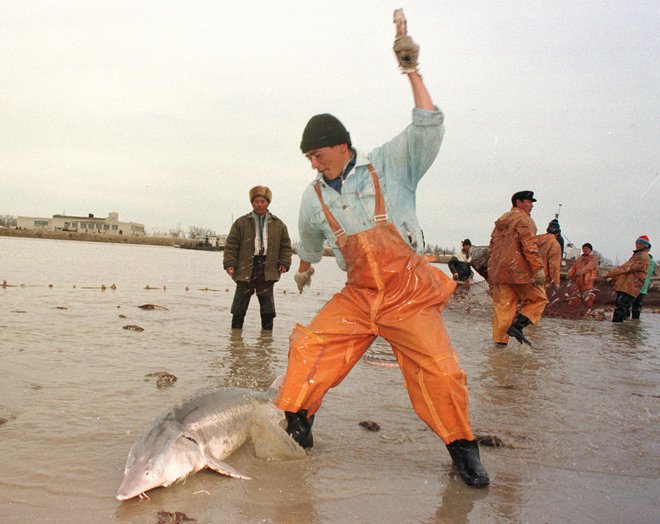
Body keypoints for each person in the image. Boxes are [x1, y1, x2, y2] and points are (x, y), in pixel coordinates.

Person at [274, 13, 489, 488]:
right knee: (309, 346)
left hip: (408, 294)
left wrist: (410, 68)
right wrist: (306, 267)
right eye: (308, 158)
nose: (313, 163)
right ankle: (297, 424)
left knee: (440, 371)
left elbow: (429, 125)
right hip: (359, 294)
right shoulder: (313, 197)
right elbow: (309, 240)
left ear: (342, 145)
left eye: (318, 154)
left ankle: (462, 449)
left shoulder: (391, 164)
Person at [223, 186, 292, 330]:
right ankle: (236, 339)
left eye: (262, 201)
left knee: (267, 308)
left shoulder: (278, 224)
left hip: (267, 268)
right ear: (252, 203)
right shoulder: (241, 223)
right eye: (256, 202)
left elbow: (285, 246)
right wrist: (230, 263)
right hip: (245, 267)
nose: (259, 204)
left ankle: (266, 338)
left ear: (268, 203)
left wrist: (284, 262)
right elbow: (231, 245)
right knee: (239, 306)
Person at [487, 191, 547, 347]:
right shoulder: (524, 220)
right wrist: (538, 268)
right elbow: (529, 246)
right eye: (529, 201)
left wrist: (492, 273)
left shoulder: (499, 225)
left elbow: (492, 250)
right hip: (520, 272)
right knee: (539, 299)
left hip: (500, 273)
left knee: (503, 308)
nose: (532, 205)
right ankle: (517, 326)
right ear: (519, 202)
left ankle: (499, 349)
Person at [607, 236, 652, 322]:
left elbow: (626, 268)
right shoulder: (637, 255)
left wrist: (609, 274)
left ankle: (618, 330)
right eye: (636, 243)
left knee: (621, 306)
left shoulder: (643, 256)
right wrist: (614, 277)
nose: (636, 245)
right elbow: (626, 270)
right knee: (622, 307)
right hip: (626, 286)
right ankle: (623, 330)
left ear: (644, 245)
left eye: (639, 243)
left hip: (631, 286)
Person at [567, 243, 598, 309]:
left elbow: (589, 267)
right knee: (575, 296)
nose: (585, 250)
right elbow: (573, 268)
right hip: (578, 281)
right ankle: (572, 310)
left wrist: (580, 272)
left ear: (590, 250)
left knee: (588, 297)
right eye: (583, 248)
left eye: (587, 248)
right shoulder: (579, 258)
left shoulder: (593, 258)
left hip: (587, 282)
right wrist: (569, 274)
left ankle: (587, 310)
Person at [632, 237, 654, 319]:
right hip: (642, 288)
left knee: (630, 307)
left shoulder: (646, 260)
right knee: (636, 308)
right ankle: (632, 326)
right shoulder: (650, 260)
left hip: (637, 287)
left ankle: (626, 328)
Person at [536, 220, 562, 289]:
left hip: (526, 275)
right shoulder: (555, 244)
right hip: (541, 278)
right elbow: (554, 266)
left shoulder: (535, 239)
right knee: (537, 299)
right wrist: (556, 282)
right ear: (557, 233)